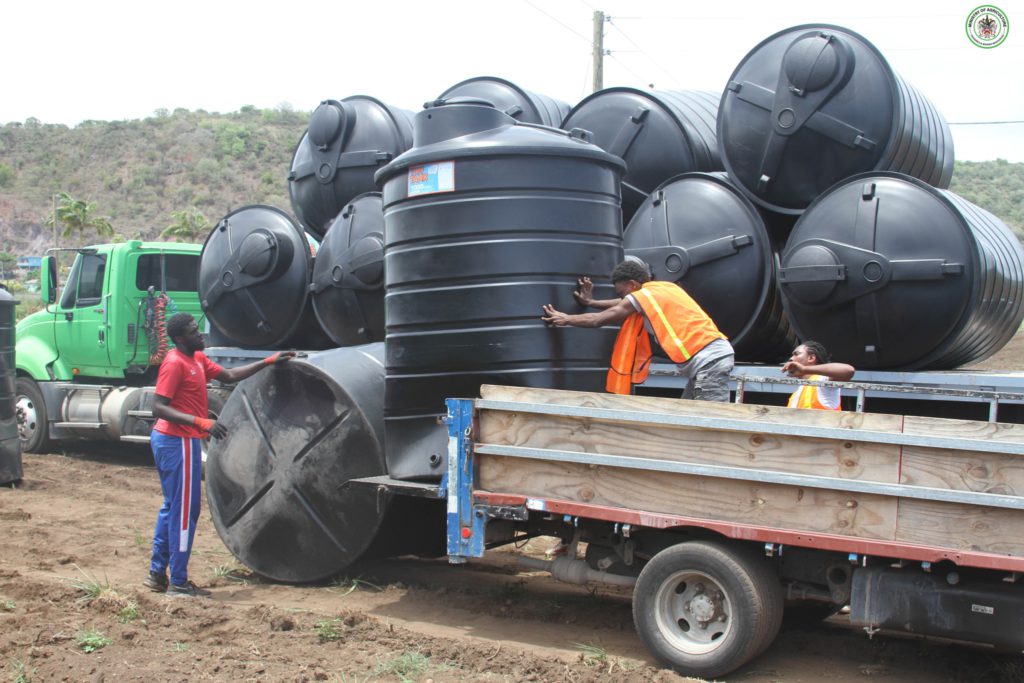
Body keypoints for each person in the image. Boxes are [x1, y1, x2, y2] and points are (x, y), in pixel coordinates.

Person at [144, 313, 295, 597]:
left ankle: (157, 574)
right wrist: (200, 422)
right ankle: (178, 581)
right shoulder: (175, 364)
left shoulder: (197, 359)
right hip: (177, 441)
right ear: (179, 339)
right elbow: (158, 407)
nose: (200, 333)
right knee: (184, 511)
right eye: (192, 331)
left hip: (179, 440)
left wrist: (267, 362)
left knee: (173, 507)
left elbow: (228, 376)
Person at [540, 260, 735, 401]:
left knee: (712, 419)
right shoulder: (664, 288)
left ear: (632, 285)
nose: (622, 297)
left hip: (709, 361)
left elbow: (599, 321)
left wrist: (566, 319)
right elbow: (622, 302)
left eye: (622, 291)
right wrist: (591, 302)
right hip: (711, 357)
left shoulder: (646, 295)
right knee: (689, 412)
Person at [782, 341, 855, 411]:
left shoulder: (822, 381)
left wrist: (804, 369)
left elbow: (849, 370)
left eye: (796, 354)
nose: (791, 358)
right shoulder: (798, 393)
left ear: (811, 358)